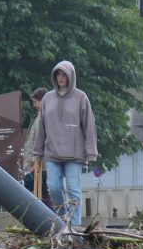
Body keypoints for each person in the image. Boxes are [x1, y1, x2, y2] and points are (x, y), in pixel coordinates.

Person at [28, 61, 99, 228]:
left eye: (64, 74)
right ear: (54, 76)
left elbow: (89, 125)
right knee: (53, 187)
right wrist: (37, 156)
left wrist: (91, 151)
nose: (61, 77)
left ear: (71, 76)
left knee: (73, 189)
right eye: (58, 74)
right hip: (52, 152)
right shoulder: (48, 98)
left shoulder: (81, 97)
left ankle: (74, 226)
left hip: (74, 153)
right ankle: (62, 220)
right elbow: (42, 129)